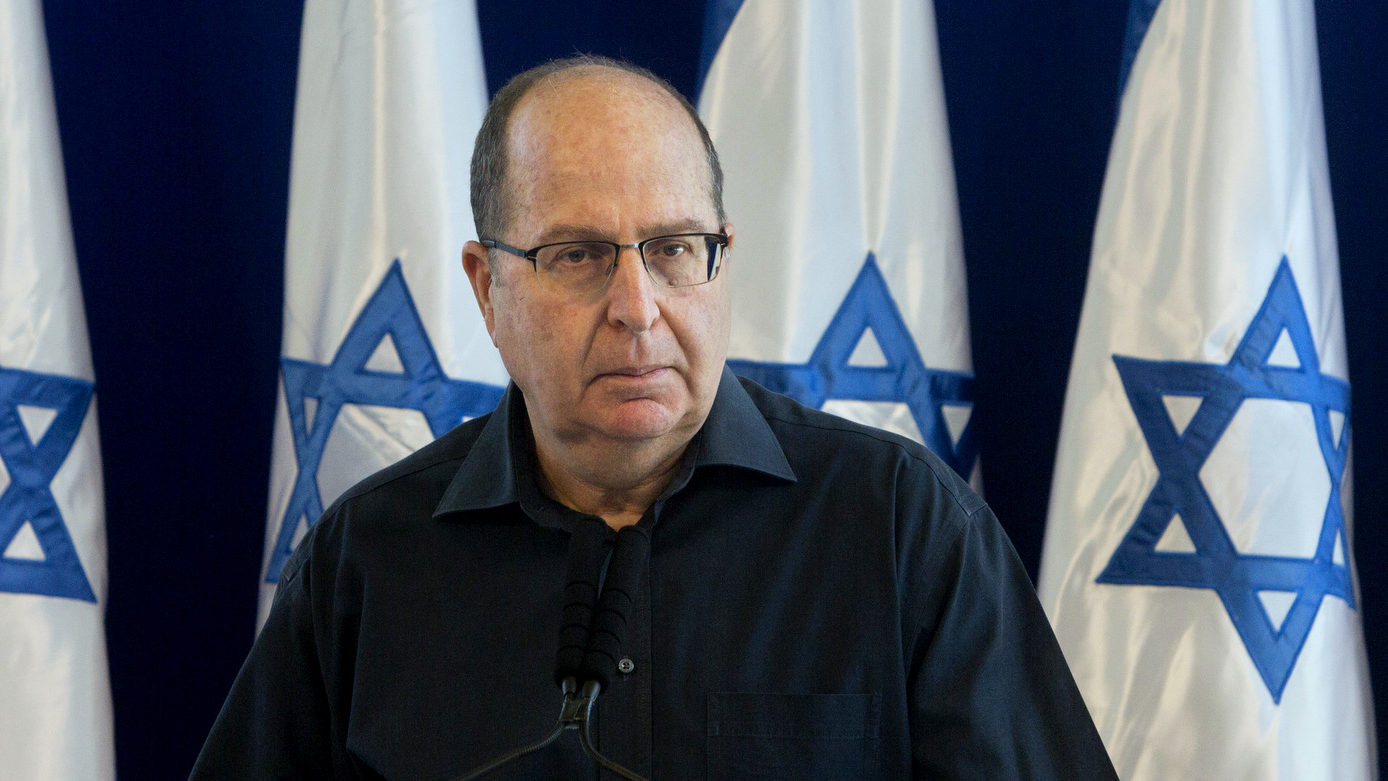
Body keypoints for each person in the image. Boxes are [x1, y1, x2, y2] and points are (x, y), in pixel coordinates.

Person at [190, 55, 1117, 780]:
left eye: (675, 249)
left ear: (722, 257)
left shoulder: (904, 529)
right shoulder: (369, 558)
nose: (639, 306)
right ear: (488, 286)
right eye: (581, 255)